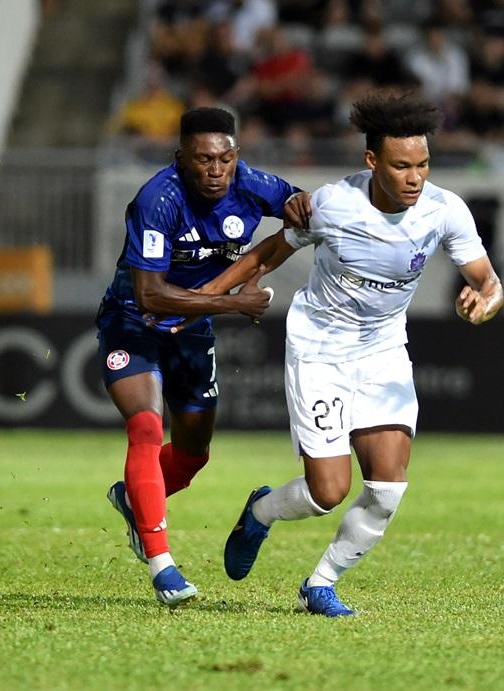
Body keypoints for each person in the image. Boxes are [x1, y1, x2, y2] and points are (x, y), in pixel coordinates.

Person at [198, 92, 504, 616]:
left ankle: (320, 584)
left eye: (423, 164)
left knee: (387, 488)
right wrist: (207, 298)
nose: (415, 177)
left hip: (384, 350)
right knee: (328, 492)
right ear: (372, 161)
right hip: (320, 348)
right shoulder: (334, 205)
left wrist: (485, 304)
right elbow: (270, 251)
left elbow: (488, 280)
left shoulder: (445, 210)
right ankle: (262, 512)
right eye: (402, 166)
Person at [97, 106, 311, 607]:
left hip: (193, 329)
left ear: (236, 156)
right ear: (181, 158)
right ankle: (162, 566)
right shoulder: (157, 199)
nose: (215, 170)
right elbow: (151, 294)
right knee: (146, 427)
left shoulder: (252, 185)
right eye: (203, 160)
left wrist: (304, 208)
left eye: (224, 159)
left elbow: (302, 208)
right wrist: (233, 303)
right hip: (134, 321)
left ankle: (133, 498)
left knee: (194, 454)